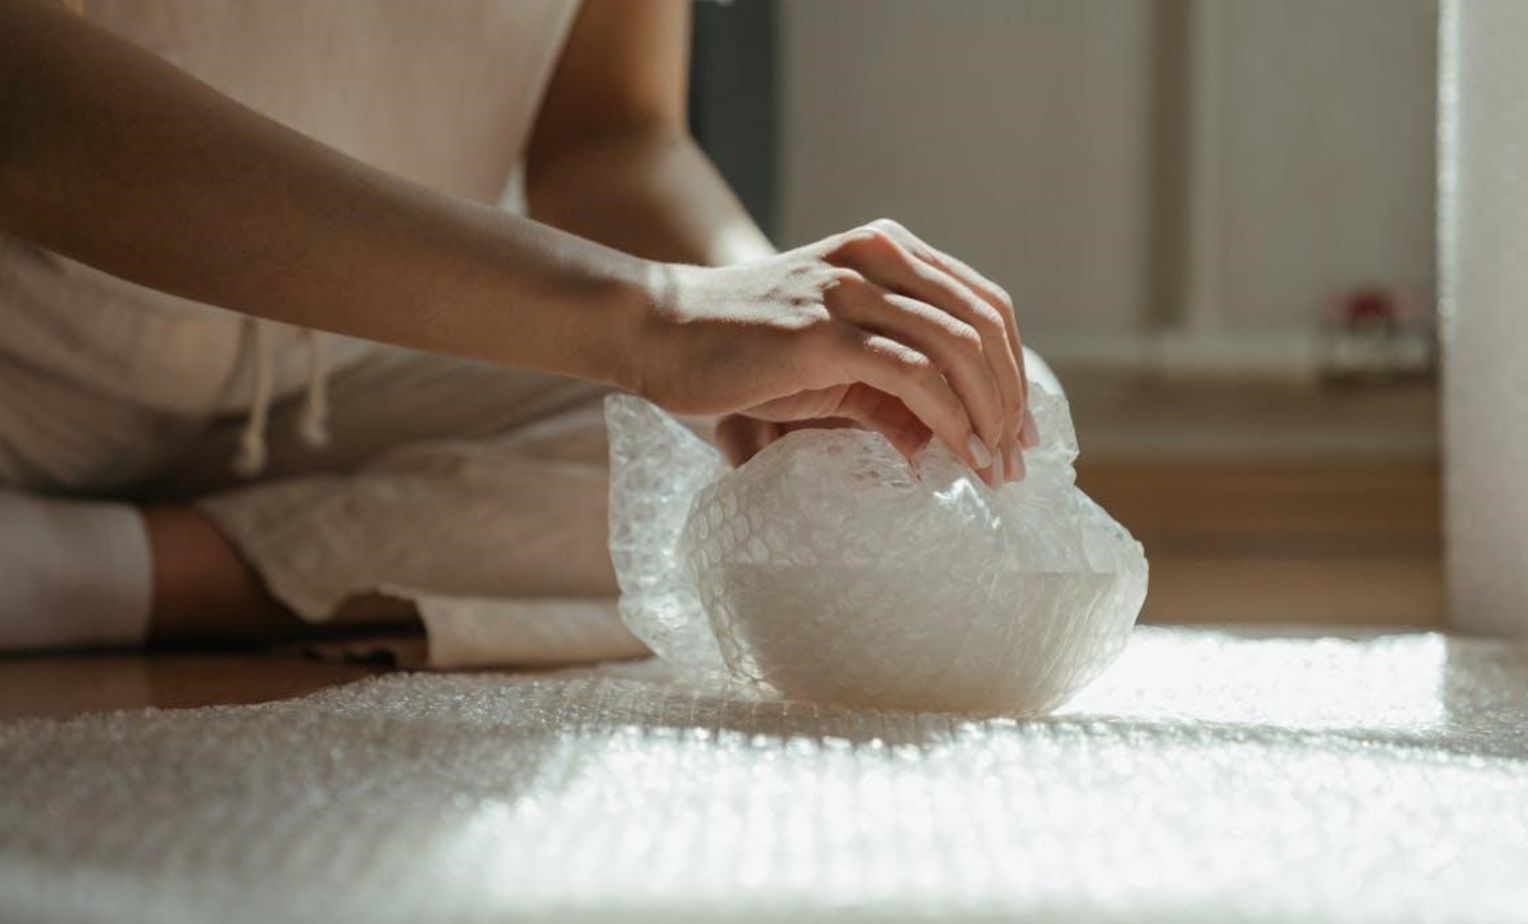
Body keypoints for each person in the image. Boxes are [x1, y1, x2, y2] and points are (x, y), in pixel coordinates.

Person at [0, 0, 1038, 659]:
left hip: (355, 364)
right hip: (21, 359)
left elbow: (607, 134)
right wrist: (656, 314)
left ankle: (90, 573)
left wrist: (762, 335)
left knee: (957, 405)